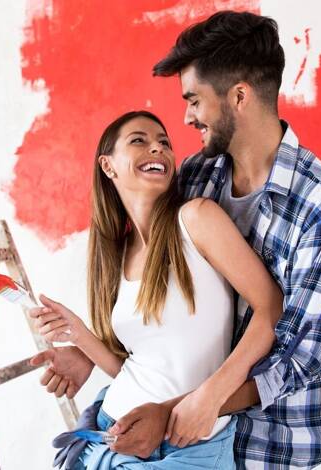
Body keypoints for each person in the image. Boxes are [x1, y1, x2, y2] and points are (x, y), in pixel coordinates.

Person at [32, 10, 321, 469]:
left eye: (194, 100)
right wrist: (93, 353)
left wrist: (193, 405)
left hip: (270, 439)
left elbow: (299, 357)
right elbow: (169, 318)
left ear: (239, 96)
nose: (186, 118)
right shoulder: (197, 175)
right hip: (172, 427)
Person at [30, 110, 284, 469]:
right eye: (140, 140)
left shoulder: (197, 219)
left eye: (164, 143)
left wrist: (211, 397)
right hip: (108, 431)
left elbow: (271, 308)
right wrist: (80, 337)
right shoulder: (119, 256)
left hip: (190, 447)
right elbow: (144, 368)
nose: (158, 149)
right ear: (108, 166)